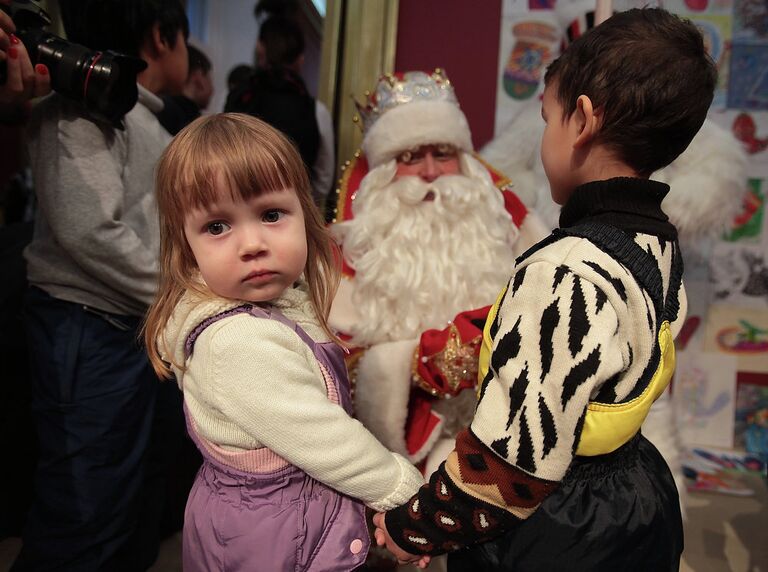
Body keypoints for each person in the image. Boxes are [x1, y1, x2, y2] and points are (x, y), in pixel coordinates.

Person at [373, 8, 715, 570]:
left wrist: (412, 527)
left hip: (563, 527)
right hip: (635, 495)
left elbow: (508, 472)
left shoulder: (564, 270)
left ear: (581, 121)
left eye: (547, 117)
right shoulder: (657, 242)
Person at [143, 113, 425, 571]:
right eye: (217, 227)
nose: (251, 243)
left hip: (285, 521)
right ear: (185, 244)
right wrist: (406, 493)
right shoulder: (237, 342)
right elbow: (327, 439)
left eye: (271, 215)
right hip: (273, 540)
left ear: (303, 211)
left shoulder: (281, 303)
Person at [14, 1, 189, 570]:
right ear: (163, 38)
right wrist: (182, 299)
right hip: (89, 327)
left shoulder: (148, 120)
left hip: (133, 327)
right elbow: (89, 231)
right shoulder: (83, 102)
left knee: (133, 501)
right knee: (84, 513)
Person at [328, 69, 549, 478]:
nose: (430, 172)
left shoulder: (507, 223)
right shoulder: (353, 245)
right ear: (383, 170)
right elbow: (335, 365)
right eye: (410, 157)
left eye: (443, 154)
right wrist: (419, 362)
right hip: (395, 455)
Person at [225, 4, 335, 204]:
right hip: (292, 213)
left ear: (260, 49)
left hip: (237, 210)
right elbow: (323, 178)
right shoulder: (316, 111)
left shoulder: (238, 98)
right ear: (300, 59)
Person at [156, 44, 214, 135]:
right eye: (209, 78)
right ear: (199, 77)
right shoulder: (189, 123)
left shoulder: (161, 108)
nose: (212, 89)